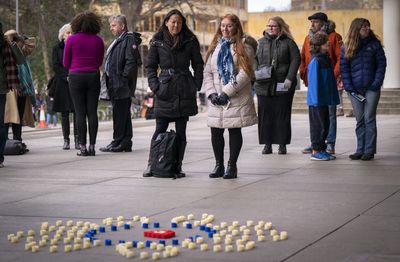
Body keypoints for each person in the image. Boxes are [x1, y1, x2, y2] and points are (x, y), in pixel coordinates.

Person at [143, 9, 204, 177]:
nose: (176, 25)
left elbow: (198, 64)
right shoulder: (157, 41)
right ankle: (152, 164)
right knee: (160, 128)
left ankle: (178, 165)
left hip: (184, 88)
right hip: (165, 89)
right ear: (166, 22)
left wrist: (196, 84)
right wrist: (155, 86)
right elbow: (150, 66)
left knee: (181, 131)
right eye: (173, 22)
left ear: (182, 24)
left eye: (179, 22)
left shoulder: (190, 41)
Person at [203, 14, 258, 179]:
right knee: (216, 131)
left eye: (229, 26)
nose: (225, 29)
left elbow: (245, 73)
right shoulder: (215, 47)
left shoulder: (244, 46)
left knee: (234, 130)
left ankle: (231, 165)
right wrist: (212, 93)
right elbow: (208, 73)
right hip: (216, 98)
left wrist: (226, 92)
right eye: (222, 26)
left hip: (235, 96)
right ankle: (218, 164)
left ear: (236, 27)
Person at [340, 18, 386, 161]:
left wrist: (376, 83)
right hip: (354, 90)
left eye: (368, 27)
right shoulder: (346, 46)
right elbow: (344, 69)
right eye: (363, 27)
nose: (366, 29)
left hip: (372, 88)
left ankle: (369, 150)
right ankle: (360, 149)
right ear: (356, 29)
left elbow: (381, 65)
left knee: (369, 118)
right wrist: (349, 88)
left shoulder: (375, 45)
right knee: (360, 119)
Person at [253, 16, 300, 155]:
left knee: (282, 116)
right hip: (263, 85)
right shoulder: (260, 43)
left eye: (273, 26)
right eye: (269, 26)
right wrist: (256, 71)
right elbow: (252, 59)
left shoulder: (289, 43)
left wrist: (289, 79)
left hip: (282, 85)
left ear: (280, 27)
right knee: (265, 116)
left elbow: (296, 59)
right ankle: (267, 145)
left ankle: (282, 144)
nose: (270, 28)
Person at [299, 12, 342, 155]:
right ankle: (316, 144)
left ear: (323, 22)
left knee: (329, 115)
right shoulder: (307, 38)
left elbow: (339, 58)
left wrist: (332, 75)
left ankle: (329, 143)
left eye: (316, 21)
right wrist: (305, 76)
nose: (312, 24)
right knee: (317, 116)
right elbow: (303, 59)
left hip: (327, 81)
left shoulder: (333, 37)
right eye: (312, 22)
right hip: (314, 82)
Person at [63, 11, 104, 156]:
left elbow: (66, 62)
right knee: (92, 112)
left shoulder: (71, 40)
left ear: (76, 24)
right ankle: (92, 146)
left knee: (79, 113)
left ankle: (82, 147)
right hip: (93, 75)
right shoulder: (98, 40)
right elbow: (100, 61)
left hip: (76, 76)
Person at [100, 14, 142, 153]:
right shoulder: (119, 40)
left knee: (120, 114)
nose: (111, 28)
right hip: (115, 83)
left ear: (122, 26)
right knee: (122, 114)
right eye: (110, 25)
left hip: (121, 84)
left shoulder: (128, 39)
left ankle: (118, 141)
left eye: (114, 25)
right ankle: (125, 141)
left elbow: (131, 62)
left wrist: (123, 79)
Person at [307, 32, 340, 161]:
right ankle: (316, 150)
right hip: (317, 101)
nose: (328, 43)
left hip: (324, 99)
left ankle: (322, 148)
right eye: (325, 42)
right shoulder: (316, 60)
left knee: (325, 124)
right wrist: (316, 100)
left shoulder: (326, 58)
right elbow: (314, 82)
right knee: (318, 126)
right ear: (319, 45)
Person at [49, 23, 78, 150]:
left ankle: (78, 139)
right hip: (62, 82)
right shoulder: (56, 48)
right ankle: (66, 140)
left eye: (72, 32)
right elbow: (55, 65)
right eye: (68, 33)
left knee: (77, 112)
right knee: (65, 113)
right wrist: (66, 76)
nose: (70, 35)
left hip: (75, 81)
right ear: (63, 35)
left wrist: (73, 75)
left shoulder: (77, 46)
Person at [4, 30, 35, 141]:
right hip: (10, 89)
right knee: (7, 117)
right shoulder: (5, 51)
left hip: (22, 89)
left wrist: (19, 37)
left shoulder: (22, 52)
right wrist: (10, 37)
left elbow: (31, 43)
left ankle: (17, 141)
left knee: (19, 117)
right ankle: (5, 141)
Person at [0, 21, 14, 167]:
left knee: (1, 125)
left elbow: (19, 60)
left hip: (1, 88)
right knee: (1, 125)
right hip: (2, 87)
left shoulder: (5, 44)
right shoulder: (5, 43)